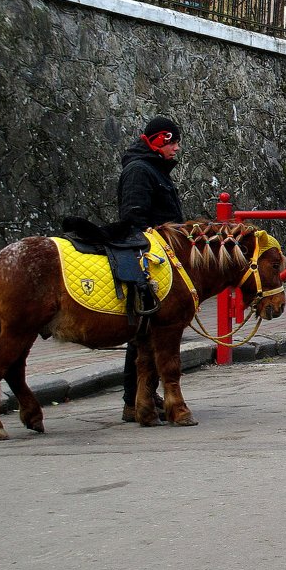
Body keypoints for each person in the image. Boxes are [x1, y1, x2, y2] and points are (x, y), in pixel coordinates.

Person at [116, 116, 185, 422]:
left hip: (158, 256)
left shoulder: (152, 169)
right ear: (159, 140)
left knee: (150, 330)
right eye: (172, 142)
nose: (177, 148)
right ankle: (133, 398)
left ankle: (142, 395)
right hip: (150, 258)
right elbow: (134, 218)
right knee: (144, 330)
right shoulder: (139, 171)